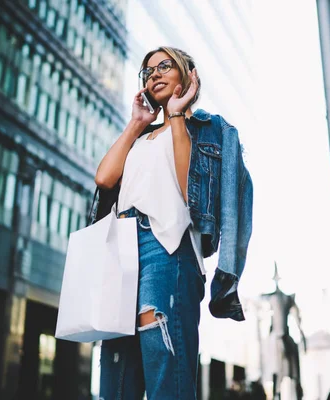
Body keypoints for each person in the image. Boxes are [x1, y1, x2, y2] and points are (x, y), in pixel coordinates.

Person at [93, 46, 253, 399]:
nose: (154, 74)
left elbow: (188, 189)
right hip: (122, 252)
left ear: (187, 73)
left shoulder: (209, 130)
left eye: (164, 66)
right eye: (147, 71)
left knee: (167, 378)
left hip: (165, 247)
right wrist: (136, 123)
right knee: (116, 380)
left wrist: (178, 114)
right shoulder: (141, 135)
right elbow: (104, 178)